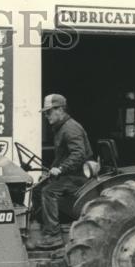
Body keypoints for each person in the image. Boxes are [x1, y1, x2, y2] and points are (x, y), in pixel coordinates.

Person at [27, 94, 93, 250]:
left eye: (49, 112)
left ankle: (54, 235)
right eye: (45, 113)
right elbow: (61, 156)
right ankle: (45, 228)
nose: (46, 116)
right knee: (37, 190)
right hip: (69, 174)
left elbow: (79, 154)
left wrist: (61, 169)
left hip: (77, 177)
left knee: (48, 192)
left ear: (60, 110)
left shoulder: (71, 128)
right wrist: (50, 171)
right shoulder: (60, 128)